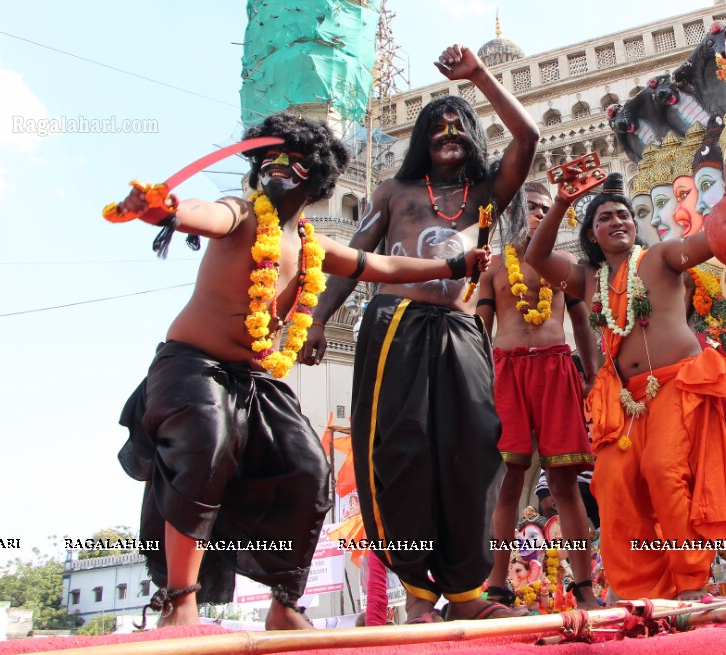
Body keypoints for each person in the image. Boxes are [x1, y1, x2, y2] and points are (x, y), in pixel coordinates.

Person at [115, 113, 489, 629]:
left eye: (291, 160)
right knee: (205, 449)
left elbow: (380, 267)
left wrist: (451, 267)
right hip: (192, 367)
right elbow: (209, 214)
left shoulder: (314, 244)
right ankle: (179, 601)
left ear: (317, 176)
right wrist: (170, 210)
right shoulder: (243, 213)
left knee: (310, 472)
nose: (276, 168)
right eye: (267, 159)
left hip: (258, 380)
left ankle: (285, 604)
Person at [302, 44, 539, 623]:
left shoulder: (485, 195)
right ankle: (416, 592)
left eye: (459, 125)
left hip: (461, 328)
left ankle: (465, 593)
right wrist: (316, 319)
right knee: (401, 454)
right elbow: (353, 258)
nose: (449, 131)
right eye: (437, 126)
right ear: (421, 140)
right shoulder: (394, 194)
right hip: (396, 330)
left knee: (474, 450)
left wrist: (477, 75)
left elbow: (528, 138)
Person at [525, 171, 726, 600]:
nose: (618, 221)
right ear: (592, 232)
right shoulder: (588, 280)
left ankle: (690, 584)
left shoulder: (661, 256)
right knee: (612, 483)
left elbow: (717, 236)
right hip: (626, 400)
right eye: (605, 217)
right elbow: (536, 256)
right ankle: (643, 589)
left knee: (665, 473)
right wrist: (563, 202)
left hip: (676, 385)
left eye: (624, 214)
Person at [476, 182, 601, 609]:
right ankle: (495, 587)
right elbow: (480, 330)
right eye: (530, 208)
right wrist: (477, 380)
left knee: (565, 484)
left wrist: (593, 374)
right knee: (507, 482)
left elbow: (582, 325)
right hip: (507, 371)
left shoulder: (563, 266)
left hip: (556, 368)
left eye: (546, 209)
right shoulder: (494, 267)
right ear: (513, 214)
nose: (538, 214)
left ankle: (584, 588)